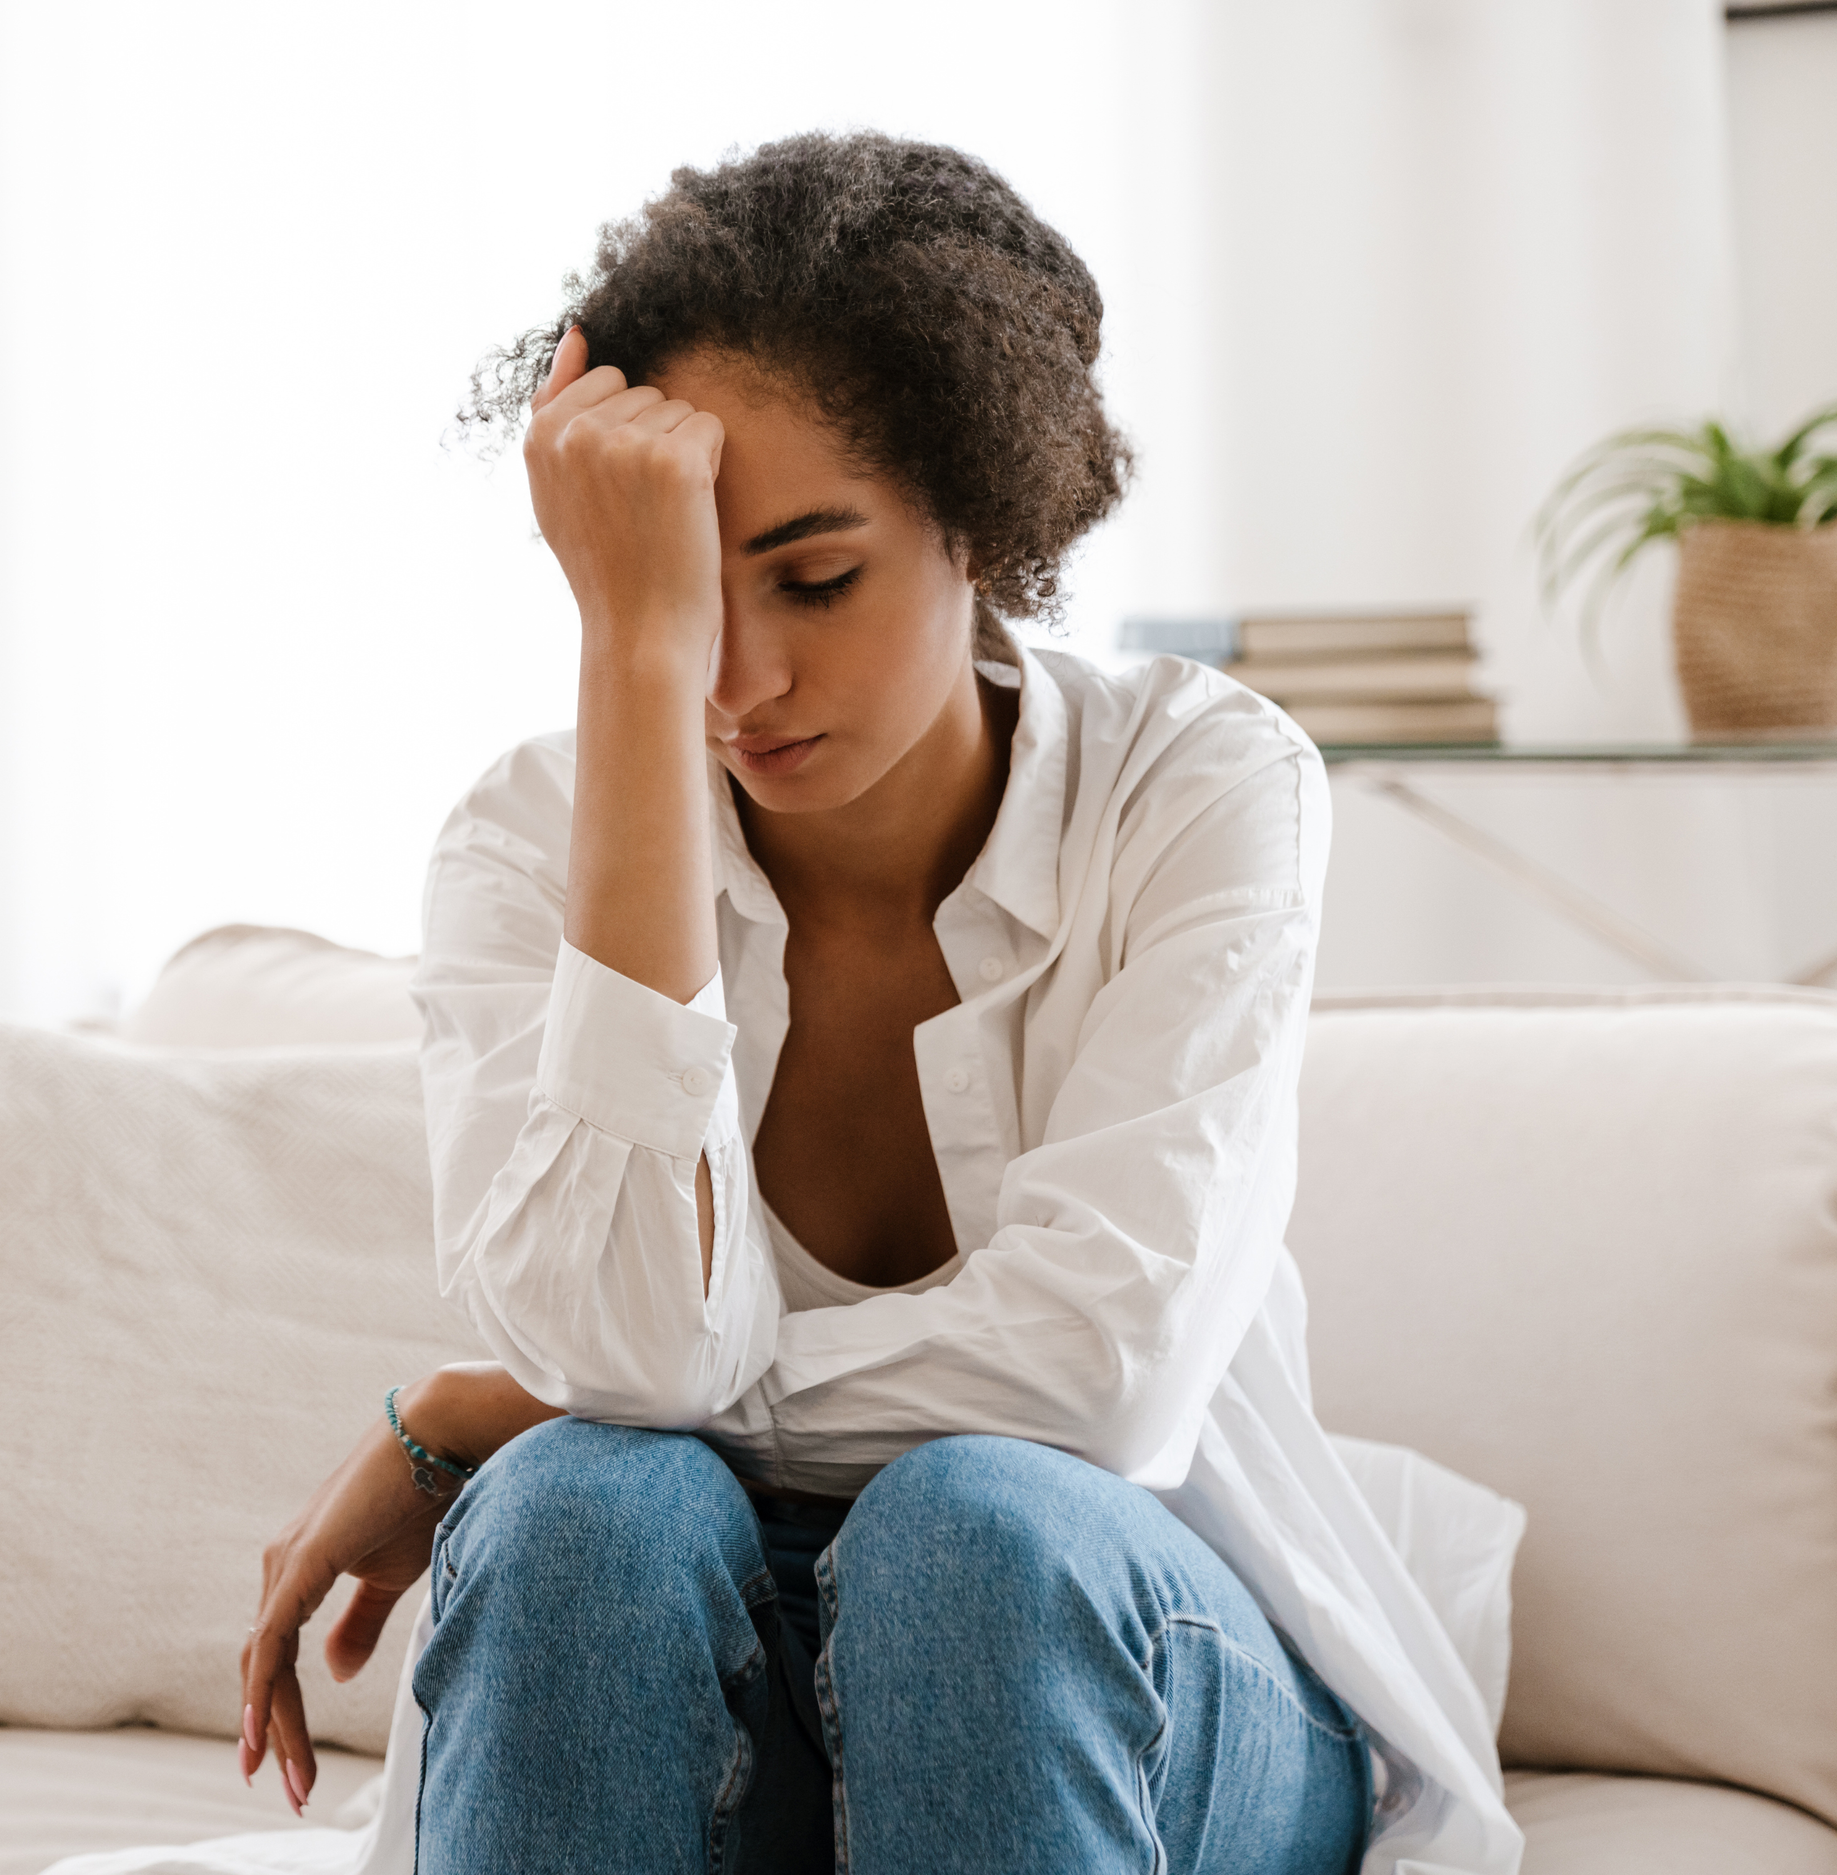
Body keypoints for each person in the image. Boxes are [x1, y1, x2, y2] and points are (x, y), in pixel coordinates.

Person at [234, 133, 1521, 1875]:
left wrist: (497, 1405)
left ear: (981, 519)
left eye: (814, 578)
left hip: (1118, 1647)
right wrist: (628, 667)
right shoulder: (527, 840)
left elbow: (1099, 1386)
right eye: (677, 592)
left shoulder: (1199, 785)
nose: (739, 681)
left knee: (970, 1528)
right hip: (716, 1661)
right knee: (577, 1513)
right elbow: (622, 1359)